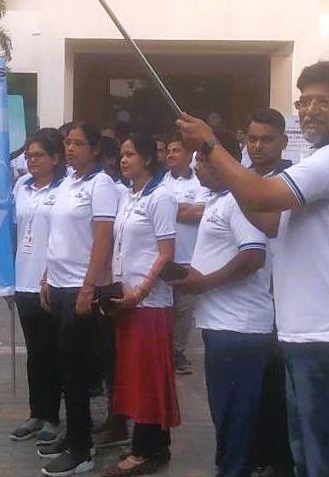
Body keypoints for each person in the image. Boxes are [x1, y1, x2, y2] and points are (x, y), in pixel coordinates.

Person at [176, 61, 329, 477]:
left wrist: (213, 147)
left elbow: (264, 196)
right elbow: (268, 218)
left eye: (323, 102)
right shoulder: (328, 158)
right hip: (309, 333)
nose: (309, 110)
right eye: (303, 101)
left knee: (328, 460)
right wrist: (230, 177)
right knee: (306, 455)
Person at [169, 133, 274, 477]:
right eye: (196, 160)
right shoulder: (217, 200)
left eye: (204, 159)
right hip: (219, 324)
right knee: (225, 411)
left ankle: (234, 470)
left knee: (237, 412)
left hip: (240, 327)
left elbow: (253, 256)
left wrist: (202, 283)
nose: (197, 165)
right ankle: (230, 466)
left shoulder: (240, 202)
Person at [35, 123, 118, 477]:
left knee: (76, 370)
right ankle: (72, 435)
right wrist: (46, 277)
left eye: (78, 143)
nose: (70, 149)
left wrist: (88, 287)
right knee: (63, 365)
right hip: (59, 285)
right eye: (67, 143)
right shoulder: (68, 181)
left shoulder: (102, 185)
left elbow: (102, 238)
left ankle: (82, 449)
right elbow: (57, 235)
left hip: (81, 289)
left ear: (95, 149)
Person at [104, 132, 180, 476]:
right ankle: (156, 446)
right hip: (126, 299)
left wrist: (142, 292)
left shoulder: (160, 198)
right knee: (135, 376)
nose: (123, 160)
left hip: (148, 304)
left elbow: (166, 254)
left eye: (130, 154)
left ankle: (144, 449)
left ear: (148, 159)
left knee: (147, 376)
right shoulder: (128, 197)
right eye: (121, 154)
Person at [243, 108, 295, 477]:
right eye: (252, 139)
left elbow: (272, 224)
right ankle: (257, 455)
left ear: (284, 142)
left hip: (282, 301)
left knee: (278, 386)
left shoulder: (291, 181)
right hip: (245, 304)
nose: (258, 146)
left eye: (267, 139)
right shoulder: (244, 179)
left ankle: (280, 462)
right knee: (255, 386)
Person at [9, 129, 65, 446]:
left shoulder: (64, 191)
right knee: (35, 353)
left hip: (51, 283)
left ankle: (53, 417)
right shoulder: (21, 186)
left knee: (53, 352)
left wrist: (51, 274)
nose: (32, 161)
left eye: (39, 155)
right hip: (23, 280)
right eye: (29, 155)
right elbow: (15, 232)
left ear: (55, 159)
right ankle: (36, 412)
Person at [164, 135, 210, 375]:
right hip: (165, 257)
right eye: (168, 150)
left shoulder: (199, 182)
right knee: (164, 308)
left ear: (188, 155)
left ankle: (177, 351)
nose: (170, 154)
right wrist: (182, 208)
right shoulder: (162, 182)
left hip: (189, 257)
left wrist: (170, 209)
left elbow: (200, 213)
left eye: (176, 150)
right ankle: (162, 353)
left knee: (184, 311)